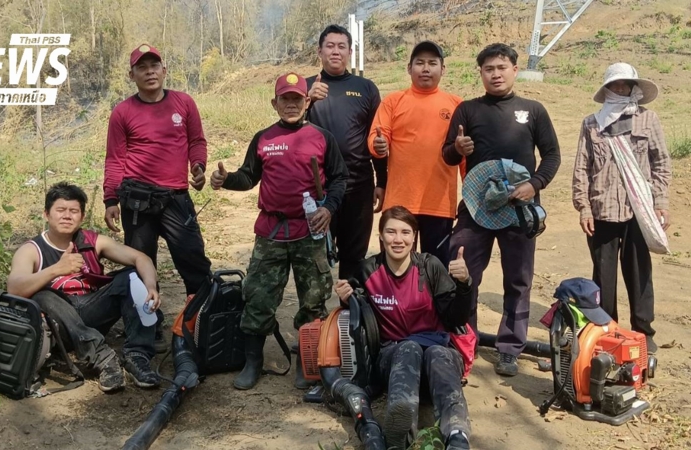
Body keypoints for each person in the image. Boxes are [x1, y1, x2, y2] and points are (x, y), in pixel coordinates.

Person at [0, 182, 162, 391]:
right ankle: (102, 357)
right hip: (55, 326)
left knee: (132, 277)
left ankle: (137, 357)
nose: (67, 216)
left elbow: (140, 258)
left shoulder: (93, 242)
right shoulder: (31, 250)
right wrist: (56, 269)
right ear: (46, 214)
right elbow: (14, 288)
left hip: (91, 312)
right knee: (42, 295)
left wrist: (150, 286)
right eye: (60, 210)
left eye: (73, 211)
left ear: (82, 217)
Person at [210, 72, 348, 390]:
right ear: (275, 103)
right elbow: (248, 177)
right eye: (285, 99)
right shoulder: (263, 138)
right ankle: (253, 362)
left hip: (310, 231)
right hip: (271, 232)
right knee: (258, 296)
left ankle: (306, 362)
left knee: (313, 300)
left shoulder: (322, 138)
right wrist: (227, 179)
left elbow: (340, 178)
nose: (291, 104)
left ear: (307, 101)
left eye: (297, 99)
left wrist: (329, 209)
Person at [442, 43, 561, 377]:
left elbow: (552, 155)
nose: (495, 74)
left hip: (520, 208)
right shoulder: (467, 110)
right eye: (489, 69)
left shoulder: (533, 110)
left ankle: (510, 349)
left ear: (515, 70)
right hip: (476, 208)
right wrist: (457, 147)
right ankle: (465, 340)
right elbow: (447, 156)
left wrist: (535, 184)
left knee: (518, 280)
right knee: (462, 273)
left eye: (502, 67)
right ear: (480, 73)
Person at [103, 43, 213, 351]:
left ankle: (202, 319)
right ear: (132, 75)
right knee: (140, 265)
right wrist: (110, 199)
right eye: (142, 67)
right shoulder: (122, 112)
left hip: (176, 197)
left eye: (154, 66)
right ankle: (148, 327)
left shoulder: (183, 103)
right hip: (137, 201)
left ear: (164, 71)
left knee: (193, 259)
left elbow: (196, 141)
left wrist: (198, 166)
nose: (149, 72)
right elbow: (115, 158)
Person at [335, 206, 473, 450]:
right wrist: (345, 297)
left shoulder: (429, 266)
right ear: (381, 236)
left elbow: (456, 318)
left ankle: (457, 436)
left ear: (414, 236)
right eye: (391, 232)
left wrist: (464, 284)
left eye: (405, 232)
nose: (398, 239)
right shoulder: (368, 270)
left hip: (437, 360)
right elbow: (354, 310)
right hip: (393, 361)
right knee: (408, 348)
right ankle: (400, 431)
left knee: (438, 353)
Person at [572, 62, 671, 354]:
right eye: (614, 85)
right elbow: (581, 168)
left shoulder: (648, 120)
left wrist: (661, 202)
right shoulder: (592, 124)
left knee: (639, 273)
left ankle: (643, 331)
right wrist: (583, 207)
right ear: (606, 90)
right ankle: (607, 329)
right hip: (601, 210)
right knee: (603, 276)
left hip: (639, 211)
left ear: (633, 88)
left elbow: (661, 162)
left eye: (625, 84)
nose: (620, 89)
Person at [368, 41, 467, 268]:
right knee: (396, 268)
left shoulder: (457, 105)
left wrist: (470, 195)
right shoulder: (393, 101)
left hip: (439, 204)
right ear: (409, 68)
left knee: (436, 268)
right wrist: (378, 145)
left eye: (432, 63)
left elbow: (463, 155)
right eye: (420, 63)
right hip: (400, 203)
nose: (426, 68)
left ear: (443, 69)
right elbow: (377, 136)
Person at [305, 24, 385, 280]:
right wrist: (307, 101)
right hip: (319, 187)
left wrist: (382, 182)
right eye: (330, 46)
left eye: (341, 46)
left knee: (354, 256)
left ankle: (349, 303)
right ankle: (316, 305)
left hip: (359, 184)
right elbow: (288, 128)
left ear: (350, 52)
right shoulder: (306, 87)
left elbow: (377, 137)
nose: (335, 51)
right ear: (319, 51)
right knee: (315, 255)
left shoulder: (366, 88)